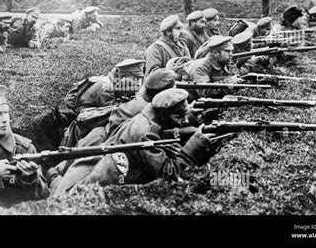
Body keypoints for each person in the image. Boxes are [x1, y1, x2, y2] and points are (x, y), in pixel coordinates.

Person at [52, 88, 217, 197]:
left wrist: (186, 130)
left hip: (91, 176)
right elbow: (169, 175)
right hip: (88, 194)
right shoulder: (145, 133)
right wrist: (193, 146)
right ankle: (52, 177)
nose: (184, 122)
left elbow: (162, 133)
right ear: (164, 115)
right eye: (179, 117)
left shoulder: (145, 119)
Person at [47, 69, 178, 188]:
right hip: (101, 140)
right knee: (73, 176)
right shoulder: (143, 108)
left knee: (72, 167)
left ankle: (52, 176)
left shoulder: (142, 101)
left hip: (103, 137)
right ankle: (50, 179)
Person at [172, 36, 258, 100]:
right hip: (191, 105)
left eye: (231, 51)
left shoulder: (226, 63)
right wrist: (229, 81)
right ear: (215, 53)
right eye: (228, 51)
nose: (231, 54)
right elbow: (206, 93)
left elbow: (236, 76)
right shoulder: (200, 67)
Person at [64, 59, 145, 115]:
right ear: (122, 76)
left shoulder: (112, 81)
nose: (137, 83)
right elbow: (116, 113)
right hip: (85, 117)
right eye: (135, 79)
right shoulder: (105, 87)